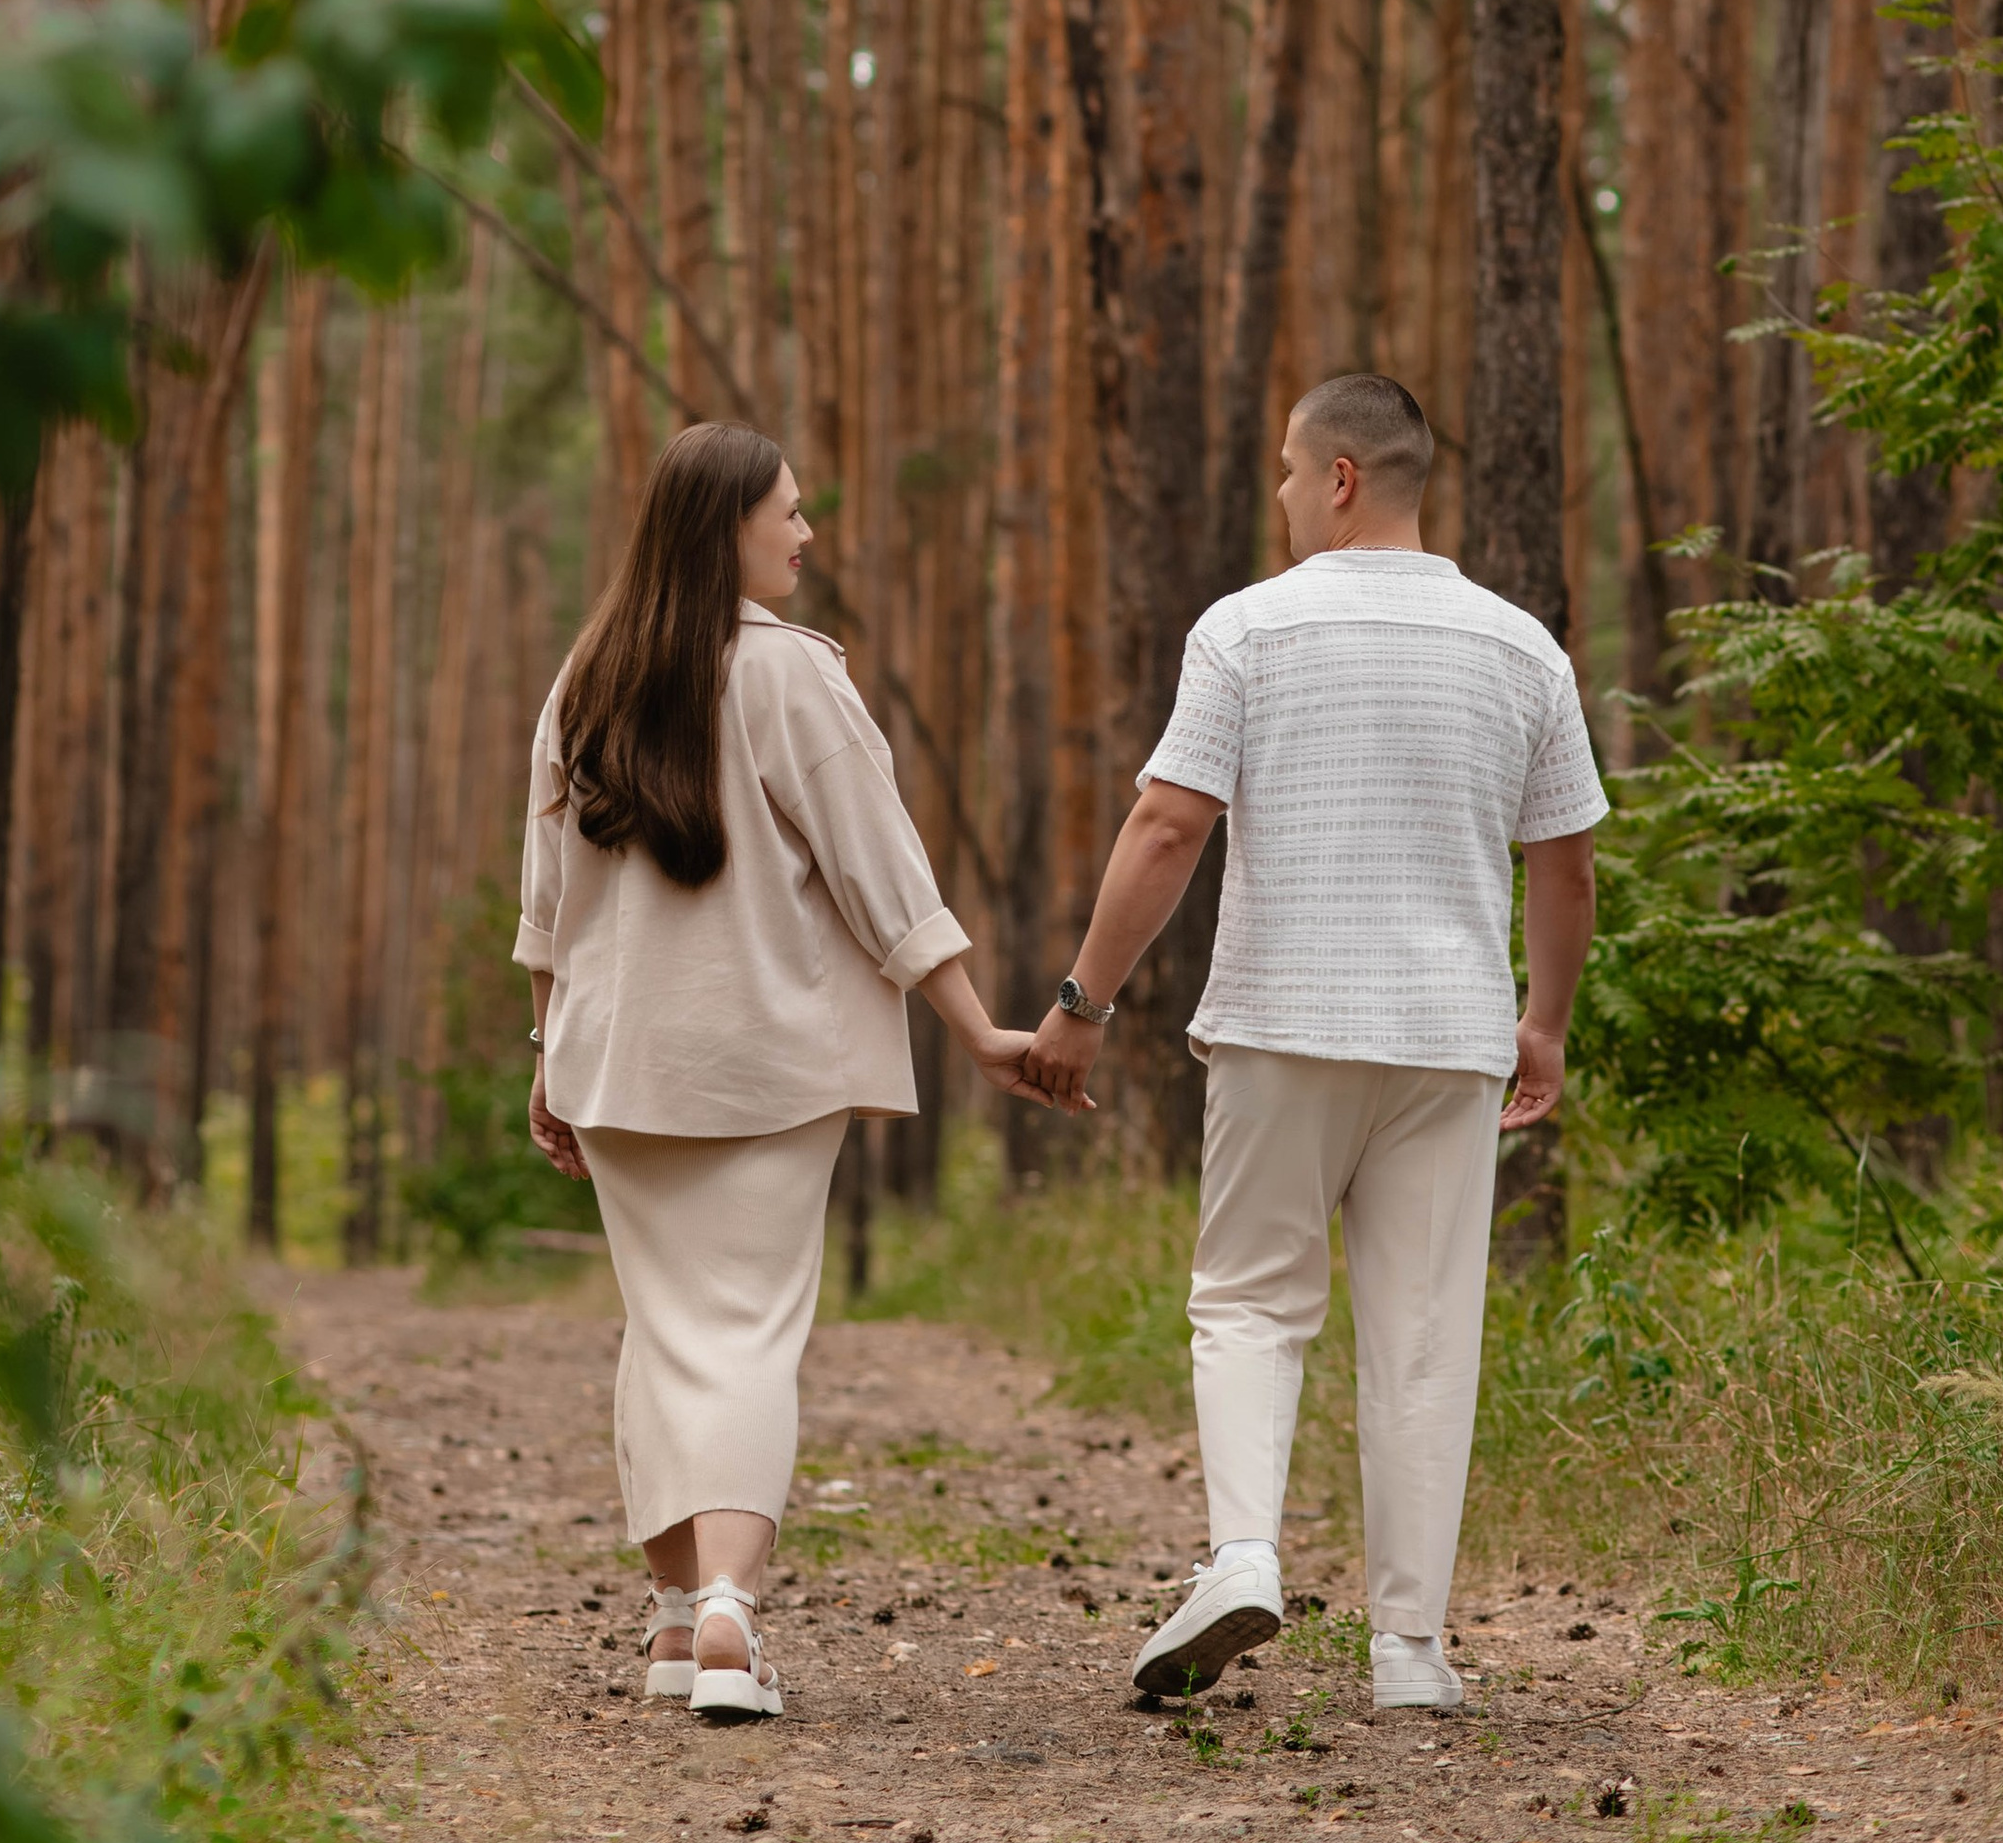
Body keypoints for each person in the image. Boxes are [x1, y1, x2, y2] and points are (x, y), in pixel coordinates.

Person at [1021, 371, 1605, 1720]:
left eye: (1289, 472)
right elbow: (1566, 866)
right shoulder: (1523, 648)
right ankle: (1411, 1652)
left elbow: (1167, 828)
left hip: (1286, 1020)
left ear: (1339, 477)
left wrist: (1083, 1002)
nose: (1280, 498)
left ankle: (1241, 1554)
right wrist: (1545, 1024)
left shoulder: (1248, 632)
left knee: (1248, 1299)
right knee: (1421, 1335)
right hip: (1450, 1039)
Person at [520, 422, 1049, 1725]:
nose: (807, 537)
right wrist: (979, 1026)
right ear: (729, 530)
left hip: (618, 1061)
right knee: (750, 1332)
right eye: (791, 515)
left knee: (666, 1333)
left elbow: (551, 904)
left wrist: (547, 1055)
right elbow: (885, 875)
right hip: (767, 1063)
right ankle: (727, 1620)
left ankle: (664, 1621)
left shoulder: (584, 678)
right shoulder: (791, 676)